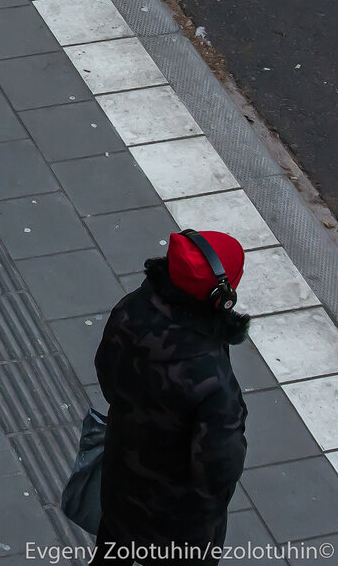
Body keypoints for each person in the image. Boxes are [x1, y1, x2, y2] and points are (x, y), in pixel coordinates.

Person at [91, 230, 249, 566]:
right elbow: (217, 471)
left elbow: (107, 375)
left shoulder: (131, 308)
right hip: (180, 526)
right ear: (222, 298)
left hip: (121, 481)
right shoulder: (213, 382)